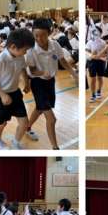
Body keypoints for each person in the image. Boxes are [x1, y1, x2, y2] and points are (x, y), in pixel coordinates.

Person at [25, 18, 78, 149]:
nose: (39, 39)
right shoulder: (31, 50)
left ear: (49, 33)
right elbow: (32, 70)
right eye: (36, 35)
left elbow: (62, 61)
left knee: (39, 109)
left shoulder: (55, 45)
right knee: (51, 119)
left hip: (50, 82)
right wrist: (42, 73)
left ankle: (27, 127)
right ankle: (55, 148)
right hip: (37, 83)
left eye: (43, 35)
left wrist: (74, 74)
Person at [0, 29, 35, 150]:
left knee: (24, 122)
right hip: (0, 96)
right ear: (13, 47)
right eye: (25, 50)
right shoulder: (0, 59)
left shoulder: (20, 56)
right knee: (2, 123)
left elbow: (23, 68)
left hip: (15, 93)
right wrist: (2, 95)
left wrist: (27, 83)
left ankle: (16, 142)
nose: (25, 53)